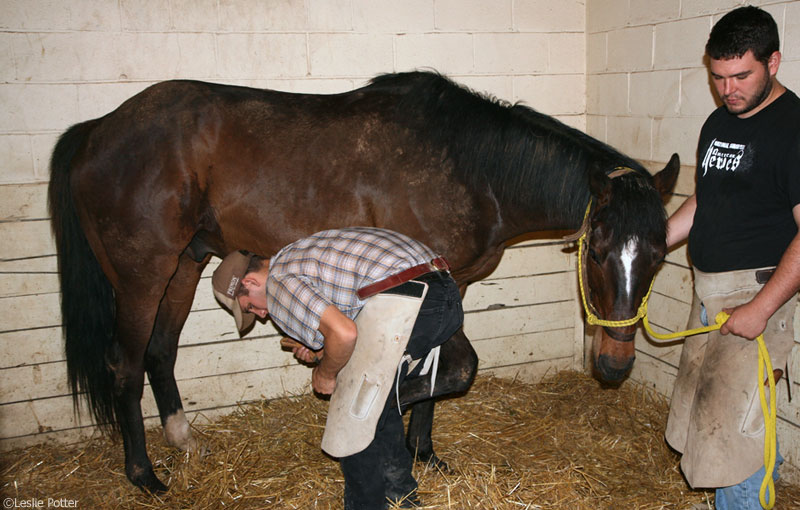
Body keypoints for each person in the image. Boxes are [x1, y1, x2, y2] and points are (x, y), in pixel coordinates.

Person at [212, 227, 463, 509]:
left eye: (249, 307)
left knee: (350, 418)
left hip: (407, 300)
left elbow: (344, 334)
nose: (260, 315)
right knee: (374, 401)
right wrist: (321, 351)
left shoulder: (278, 282)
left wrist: (325, 373)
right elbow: (345, 328)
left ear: (250, 281)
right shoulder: (298, 255)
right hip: (440, 289)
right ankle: (401, 498)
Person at [663, 6, 800, 509]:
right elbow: (705, 200)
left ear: (774, 61)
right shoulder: (719, 121)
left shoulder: (793, 129)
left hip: (756, 296)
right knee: (728, 419)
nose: (728, 89)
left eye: (741, 75)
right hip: (710, 294)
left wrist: (761, 310)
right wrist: (652, 240)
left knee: (730, 442)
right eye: (718, 77)